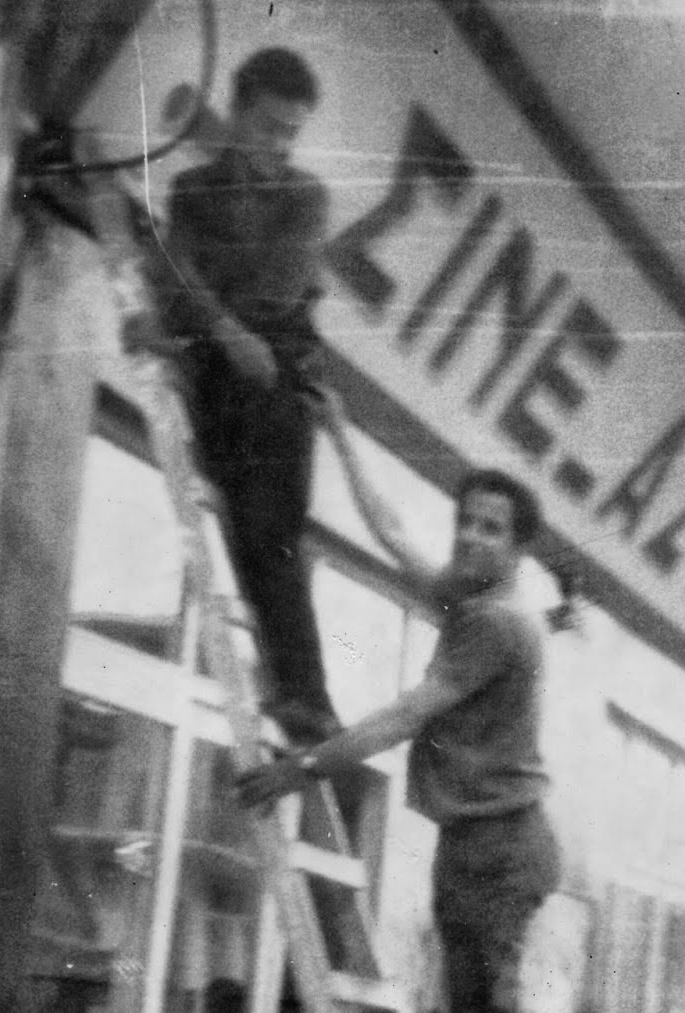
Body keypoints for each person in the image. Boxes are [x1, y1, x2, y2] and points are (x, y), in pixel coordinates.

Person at [236, 391, 561, 1013]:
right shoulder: (470, 599)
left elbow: (406, 716)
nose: (470, 537)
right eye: (466, 521)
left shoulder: (497, 622)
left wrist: (303, 768)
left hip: (500, 845)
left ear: (519, 551)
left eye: (491, 529)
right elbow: (392, 533)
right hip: (482, 838)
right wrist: (341, 432)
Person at [131, 47, 337, 745]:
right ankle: (295, 691)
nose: (279, 146)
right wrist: (218, 324)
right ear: (239, 113)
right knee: (248, 537)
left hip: (277, 384)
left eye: (291, 134)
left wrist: (204, 306)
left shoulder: (306, 197)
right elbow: (176, 278)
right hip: (223, 380)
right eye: (269, 128)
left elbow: (276, 290)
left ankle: (307, 695)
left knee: (273, 539)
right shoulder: (194, 191)